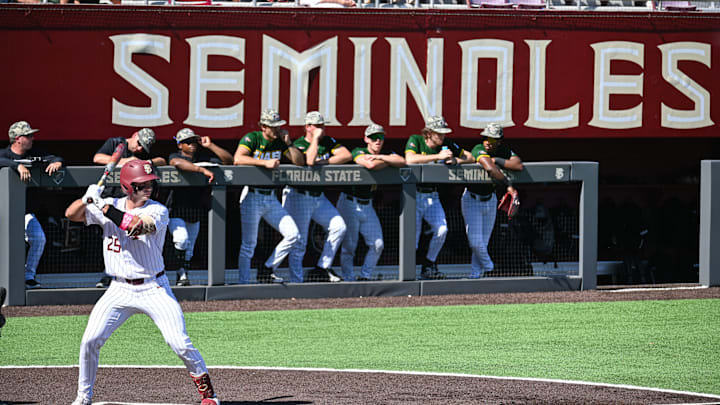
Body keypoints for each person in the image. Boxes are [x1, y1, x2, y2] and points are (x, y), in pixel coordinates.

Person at [65, 160, 220, 405]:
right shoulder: (109, 204)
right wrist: (86, 199)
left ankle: (209, 395)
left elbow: (135, 227)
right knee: (90, 340)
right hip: (118, 289)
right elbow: (70, 215)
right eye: (141, 185)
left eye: (150, 184)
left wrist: (102, 206)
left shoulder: (158, 210)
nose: (148, 188)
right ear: (128, 186)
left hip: (154, 288)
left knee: (179, 343)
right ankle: (83, 397)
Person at [233, 109, 305, 284]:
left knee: (293, 234)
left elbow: (299, 162)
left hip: (271, 197)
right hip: (252, 195)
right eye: (273, 127)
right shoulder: (253, 138)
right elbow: (238, 158)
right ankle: (244, 283)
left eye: (278, 126)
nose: (277, 130)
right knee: (249, 244)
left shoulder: (280, 142)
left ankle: (267, 268)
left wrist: (289, 144)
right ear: (263, 126)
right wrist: (264, 163)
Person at [93, 128, 166, 288]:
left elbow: (162, 160)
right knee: (109, 238)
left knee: (129, 236)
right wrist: (126, 163)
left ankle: (114, 273)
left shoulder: (142, 156)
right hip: (110, 197)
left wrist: (139, 163)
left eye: (144, 147)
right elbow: (97, 158)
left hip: (130, 201)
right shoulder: (115, 142)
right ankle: (108, 274)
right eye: (139, 144)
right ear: (134, 136)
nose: (140, 149)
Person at [282, 111, 351, 283]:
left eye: (322, 125)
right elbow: (310, 161)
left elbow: (346, 155)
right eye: (317, 126)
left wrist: (325, 162)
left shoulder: (328, 141)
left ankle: (322, 267)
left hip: (318, 197)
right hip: (299, 195)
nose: (321, 128)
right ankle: (296, 282)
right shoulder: (298, 143)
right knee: (300, 243)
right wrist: (315, 140)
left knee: (339, 227)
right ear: (308, 127)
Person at [405, 116, 473, 279]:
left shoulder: (446, 144)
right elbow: (410, 159)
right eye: (438, 133)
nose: (442, 136)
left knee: (442, 230)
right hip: (413, 196)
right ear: (428, 133)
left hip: (432, 195)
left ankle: (429, 265)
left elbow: (470, 157)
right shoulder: (416, 140)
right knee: (412, 239)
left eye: (443, 133)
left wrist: (455, 159)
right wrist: (437, 157)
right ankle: (407, 272)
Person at [336, 124, 406, 281]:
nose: (377, 141)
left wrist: (381, 157)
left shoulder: (385, 154)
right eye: (374, 138)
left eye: (380, 137)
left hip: (367, 204)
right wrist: (386, 161)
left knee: (377, 244)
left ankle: (365, 276)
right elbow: (370, 164)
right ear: (366, 139)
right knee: (350, 246)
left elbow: (402, 161)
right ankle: (348, 279)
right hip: (349, 202)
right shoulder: (359, 151)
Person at [0, 121, 64, 289]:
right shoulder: (4, 154)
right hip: (4, 211)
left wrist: (57, 162)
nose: (32, 138)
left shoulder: (34, 154)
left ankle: (29, 276)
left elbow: (55, 157)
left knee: (38, 238)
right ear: (17, 139)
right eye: (28, 136)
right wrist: (17, 166)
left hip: (25, 211)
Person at [169, 128, 233, 286]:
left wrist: (211, 146)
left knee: (189, 249)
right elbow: (176, 163)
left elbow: (228, 160)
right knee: (181, 239)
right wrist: (201, 170)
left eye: (194, 141)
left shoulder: (202, 157)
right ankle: (176, 271)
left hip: (195, 209)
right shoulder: (176, 156)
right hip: (176, 209)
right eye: (187, 142)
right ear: (180, 145)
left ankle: (182, 275)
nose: (192, 145)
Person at [462, 123, 524, 278]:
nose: (488, 141)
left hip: (490, 199)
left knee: (483, 242)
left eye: (493, 138)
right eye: (486, 137)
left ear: (499, 141)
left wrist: (497, 159)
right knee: (476, 242)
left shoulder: (503, 150)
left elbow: (518, 164)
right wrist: (508, 185)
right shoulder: (478, 148)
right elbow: (489, 167)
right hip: (472, 199)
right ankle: (490, 267)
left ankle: (475, 275)